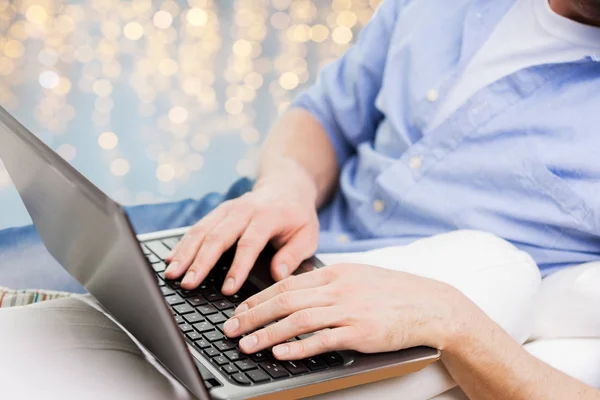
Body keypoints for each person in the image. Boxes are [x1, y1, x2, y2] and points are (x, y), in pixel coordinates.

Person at [1, 0, 600, 399]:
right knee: (28, 253)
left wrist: (458, 325)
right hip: (272, 223)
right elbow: (323, 115)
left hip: (371, 301)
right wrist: (284, 187)